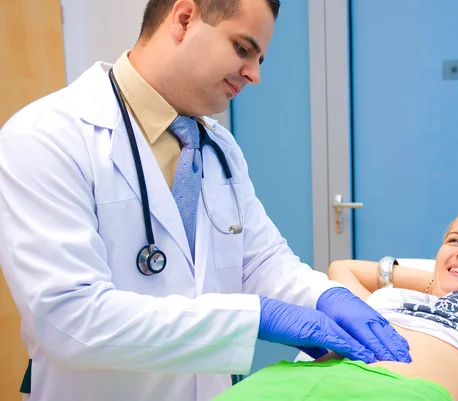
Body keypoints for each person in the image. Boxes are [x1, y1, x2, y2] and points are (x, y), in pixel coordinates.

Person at [0, 1, 410, 400]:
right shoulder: (45, 138)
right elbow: (71, 320)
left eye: (259, 59)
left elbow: (263, 261)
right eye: (242, 49)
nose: (253, 75)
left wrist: (325, 298)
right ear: (183, 18)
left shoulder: (218, 148)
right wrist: (258, 318)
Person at [211, 203, 458, 401]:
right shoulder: (391, 298)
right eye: (454, 241)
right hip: (296, 383)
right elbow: (341, 267)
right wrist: (440, 286)